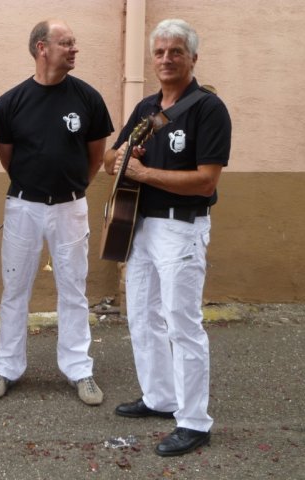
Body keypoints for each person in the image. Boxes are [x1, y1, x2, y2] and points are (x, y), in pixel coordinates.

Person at [104, 19, 232, 456]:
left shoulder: (208, 108)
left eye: (175, 52)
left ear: (192, 58)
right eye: (159, 52)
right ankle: (160, 398)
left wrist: (144, 172)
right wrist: (124, 156)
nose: (165, 59)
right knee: (143, 316)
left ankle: (195, 421)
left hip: (182, 228)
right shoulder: (145, 109)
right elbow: (108, 161)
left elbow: (206, 182)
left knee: (182, 324)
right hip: (140, 226)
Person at [0, 19, 113, 406]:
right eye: (66, 43)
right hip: (23, 206)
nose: (74, 49)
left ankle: (79, 370)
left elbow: (95, 154)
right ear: (42, 47)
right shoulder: (11, 102)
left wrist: (71, 188)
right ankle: (6, 368)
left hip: (70, 206)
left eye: (74, 43)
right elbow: (8, 157)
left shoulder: (88, 98)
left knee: (73, 289)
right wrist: (34, 189)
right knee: (14, 289)